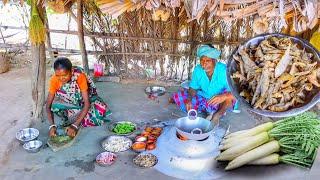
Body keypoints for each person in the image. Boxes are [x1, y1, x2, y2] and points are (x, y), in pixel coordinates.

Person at [170, 45, 238, 124]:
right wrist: (189, 99)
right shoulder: (198, 70)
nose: (204, 64)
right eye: (202, 60)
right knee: (180, 96)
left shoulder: (224, 70)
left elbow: (236, 92)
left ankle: (217, 114)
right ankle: (209, 110)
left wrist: (224, 96)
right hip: (205, 97)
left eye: (207, 60)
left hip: (221, 99)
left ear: (214, 61)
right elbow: (193, 88)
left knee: (229, 97)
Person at [46, 57, 111, 138]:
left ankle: (75, 118)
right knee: (54, 106)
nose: (61, 78)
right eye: (58, 75)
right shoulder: (54, 80)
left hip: (83, 101)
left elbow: (87, 103)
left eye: (65, 75)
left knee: (99, 110)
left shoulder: (79, 76)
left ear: (72, 71)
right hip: (69, 102)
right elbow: (48, 106)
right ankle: (76, 116)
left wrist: (75, 126)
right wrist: (52, 126)